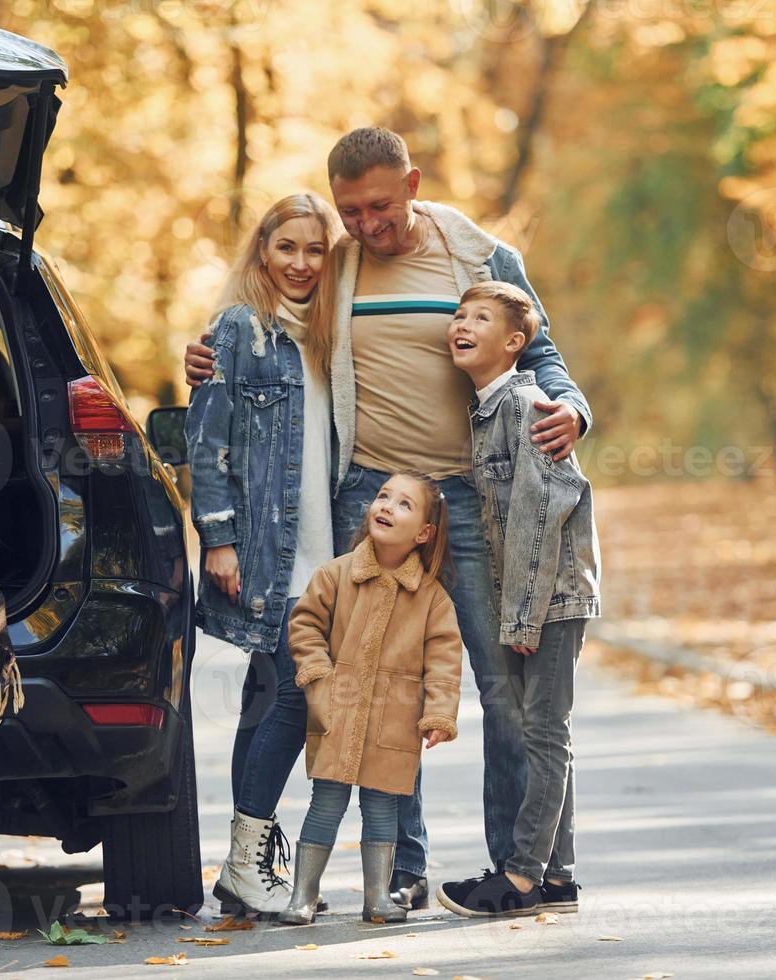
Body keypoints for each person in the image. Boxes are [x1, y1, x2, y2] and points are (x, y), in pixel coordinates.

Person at [185, 127, 592, 911]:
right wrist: (209, 358)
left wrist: (572, 408)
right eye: (350, 211)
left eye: (378, 206)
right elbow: (275, 321)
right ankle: (402, 870)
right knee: (375, 685)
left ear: (412, 183)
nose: (366, 224)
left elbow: (541, 352)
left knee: (501, 686)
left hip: (469, 498)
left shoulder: (480, 257)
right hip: (366, 494)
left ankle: (525, 867)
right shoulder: (337, 263)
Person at [184, 192, 344, 916]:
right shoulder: (239, 330)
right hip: (262, 551)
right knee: (288, 692)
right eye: (288, 248)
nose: (302, 263)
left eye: (316, 249)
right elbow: (205, 443)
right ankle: (248, 863)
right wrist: (217, 538)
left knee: (264, 695)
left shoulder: (330, 335)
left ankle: (240, 869)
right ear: (263, 251)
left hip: (323, 550)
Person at [436, 281, 600, 916]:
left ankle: (524, 878)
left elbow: (539, 515)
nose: (462, 324)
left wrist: (523, 614)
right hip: (533, 594)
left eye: (481, 317)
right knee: (545, 731)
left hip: (554, 594)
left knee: (544, 730)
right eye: (459, 314)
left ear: (513, 343)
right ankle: (558, 878)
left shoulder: (527, 405)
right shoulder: (484, 409)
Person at [275, 471, 461, 925]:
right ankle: (303, 895)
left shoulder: (432, 598)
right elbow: (303, 625)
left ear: (423, 533)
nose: (386, 506)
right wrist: (319, 677)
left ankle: (377, 896)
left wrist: (438, 712)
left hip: (394, 721)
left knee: (382, 809)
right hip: (337, 710)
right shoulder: (336, 575)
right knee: (326, 803)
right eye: (382, 496)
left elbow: (444, 658)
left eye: (403, 504)